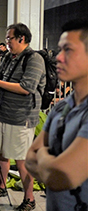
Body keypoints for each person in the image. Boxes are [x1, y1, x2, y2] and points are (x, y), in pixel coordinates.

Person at [25, 19, 88, 211]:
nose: (58, 58)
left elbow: (63, 177)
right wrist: (52, 166)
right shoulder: (63, 107)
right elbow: (29, 159)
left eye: (67, 50)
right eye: (59, 50)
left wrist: (43, 155)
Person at [0, 23, 46, 211]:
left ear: (21, 38)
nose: (7, 42)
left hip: (21, 117)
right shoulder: (10, 57)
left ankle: (29, 199)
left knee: (22, 159)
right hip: (3, 112)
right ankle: (2, 186)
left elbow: (27, 88)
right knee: (1, 152)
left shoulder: (34, 59)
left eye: (9, 38)